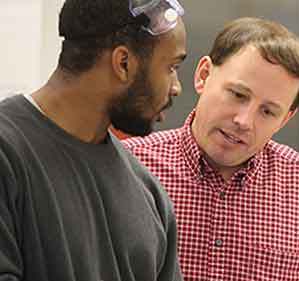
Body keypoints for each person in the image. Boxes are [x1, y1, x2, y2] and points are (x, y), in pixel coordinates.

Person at [122, 17, 299, 280]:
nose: (244, 121)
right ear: (203, 75)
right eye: (238, 95)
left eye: (268, 111)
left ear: (285, 118)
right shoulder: (130, 167)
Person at [0, 0, 187, 280]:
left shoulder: (149, 195)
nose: (176, 87)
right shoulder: (8, 154)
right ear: (123, 63)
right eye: (171, 67)